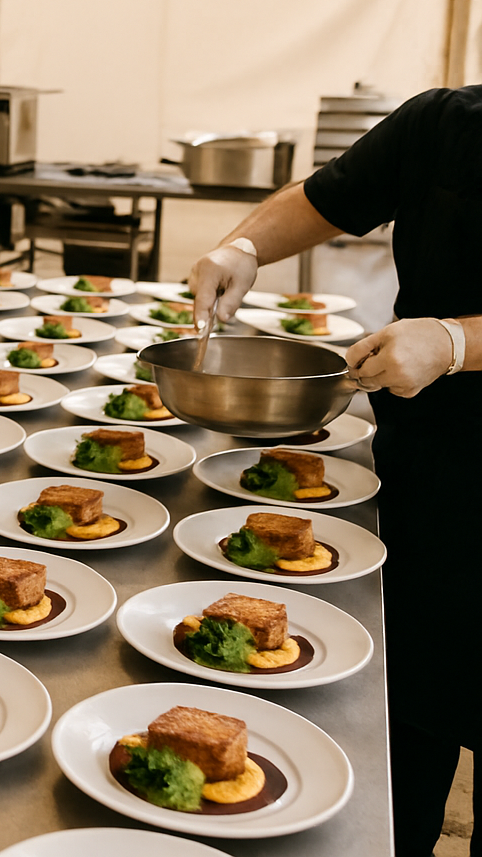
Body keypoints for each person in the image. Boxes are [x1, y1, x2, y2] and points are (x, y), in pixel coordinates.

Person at [189, 85, 480, 857]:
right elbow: (326, 197)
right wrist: (243, 247)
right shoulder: (447, 121)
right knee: (412, 711)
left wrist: (459, 343)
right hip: (430, 471)